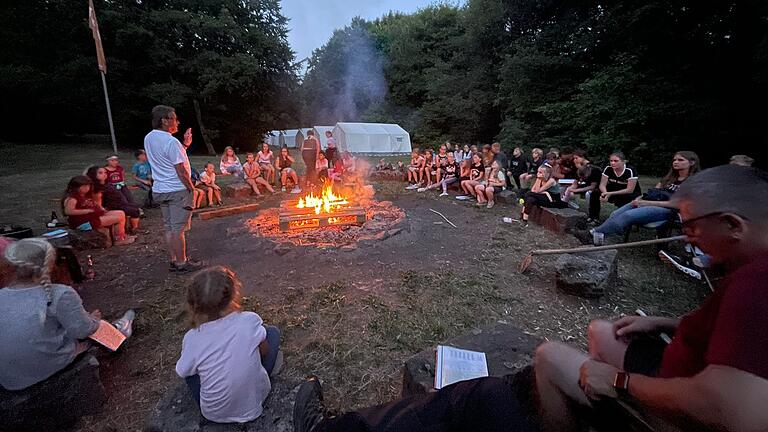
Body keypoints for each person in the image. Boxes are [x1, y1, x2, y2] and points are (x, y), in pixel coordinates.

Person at [535, 164, 768, 432]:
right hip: (679, 364)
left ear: (732, 225)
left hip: (678, 409)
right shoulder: (749, 270)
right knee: (602, 331)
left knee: (549, 356)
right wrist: (666, 323)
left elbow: (727, 410)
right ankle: (599, 404)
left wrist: (619, 381)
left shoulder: (756, 283)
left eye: (690, 227)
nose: (685, 239)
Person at [0, 238, 135, 391]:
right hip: (45, 365)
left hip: (10, 379)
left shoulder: (2, 294)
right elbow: (83, 330)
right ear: (50, 264)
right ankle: (120, 329)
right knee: (98, 329)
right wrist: (93, 319)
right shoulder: (59, 293)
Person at [175, 266, 282, 425]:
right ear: (233, 295)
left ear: (193, 304)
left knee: (190, 373)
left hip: (213, 413)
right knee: (272, 333)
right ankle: (259, 374)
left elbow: (182, 371)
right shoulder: (248, 320)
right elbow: (265, 351)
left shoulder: (192, 338)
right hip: (255, 403)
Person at [587, 151, 700, 245]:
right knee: (615, 213)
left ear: (692, 162)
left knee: (628, 215)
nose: (675, 162)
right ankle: (598, 234)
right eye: (675, 160)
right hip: (652, 202)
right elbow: (654, 192)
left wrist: (647, 202)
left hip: (670, 210)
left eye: (680, 160)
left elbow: (677, 204)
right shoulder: (669, 178)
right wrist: (641, 199)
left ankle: (593, 233)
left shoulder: (694, 182)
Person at [143, 105, 201, 273]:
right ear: (164, 120)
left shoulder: (149, 138)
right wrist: (191, 189)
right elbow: (181, 171)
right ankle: (182, 263)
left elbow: (166, 157)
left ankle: (174, 259)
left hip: (160, 189)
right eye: (174, 118)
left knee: (169, 227)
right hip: (177, 190)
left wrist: (186, 144)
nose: (178, 122)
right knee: (178, 229)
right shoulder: (170, 141)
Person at [62, 175, 135, 246]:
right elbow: (68, 211)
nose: (87, 188)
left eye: (88, 186)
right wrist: (88, 211)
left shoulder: (84, 195)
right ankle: (119, 239)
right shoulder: (72, 198)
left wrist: (101, 209)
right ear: (75, 187)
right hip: (85, 222)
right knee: (118, 218)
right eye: (84, 186)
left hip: (93, 217)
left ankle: (121, 235)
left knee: (120, 213)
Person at [86, 166, 143, 234]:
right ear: (93, 175)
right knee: (134, 211)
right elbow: (99, 203)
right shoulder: (97, 188)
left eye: (105, 172)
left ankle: (130, 226)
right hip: (113, 206)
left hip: (120, 203)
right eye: (100, 173)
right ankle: (134, 229)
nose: (104, 174)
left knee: (135, 207)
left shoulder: (107, 183)